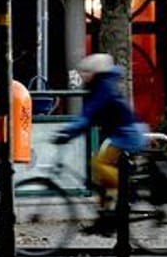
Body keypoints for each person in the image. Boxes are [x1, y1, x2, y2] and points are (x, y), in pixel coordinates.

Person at [53, 53, 149, 235]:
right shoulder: (104, 85)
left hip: (127, 135)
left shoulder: (102, 87)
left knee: (99, 165)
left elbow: (88, 116)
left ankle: (126, 190)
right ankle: (105, 216)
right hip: (124, 133)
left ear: (96, 72)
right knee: (101, 175)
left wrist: (66, 132)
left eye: (87, 72)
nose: (83, 76)